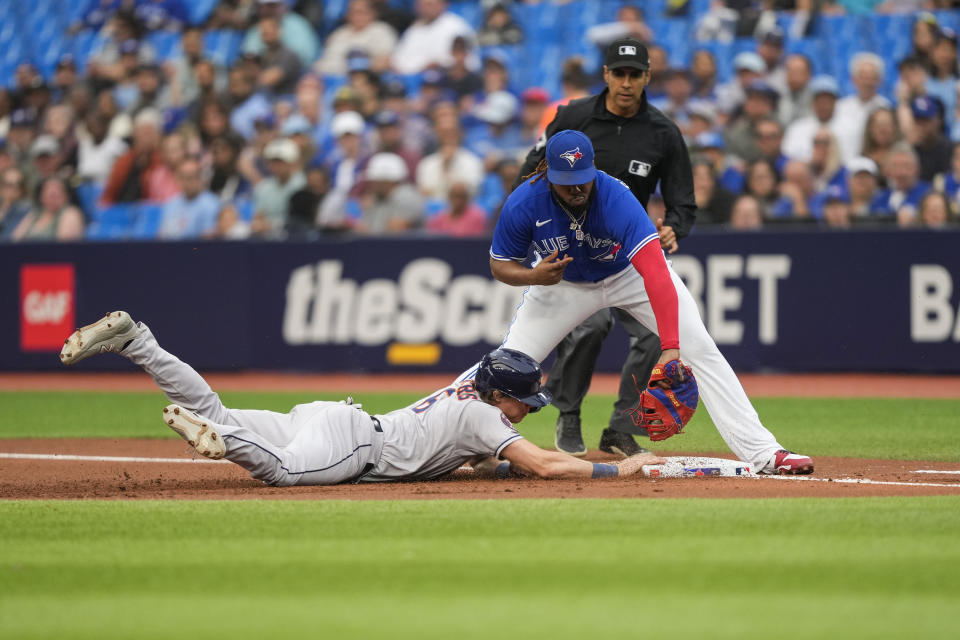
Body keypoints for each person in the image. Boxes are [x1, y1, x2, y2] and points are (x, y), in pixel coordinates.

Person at [486, 130, 812, 475]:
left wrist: (671, 347)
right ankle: (458, 441)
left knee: (699, 348)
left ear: (593, 168)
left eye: (582, 179)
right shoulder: (525, 202)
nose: (577, 188)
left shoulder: (616, 198)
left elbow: (656, 272)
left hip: (627, 274)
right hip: (560, 282)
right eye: (567, 182)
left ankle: (766, 453)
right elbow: (499, 264)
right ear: (547, 173)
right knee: (509, 364)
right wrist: (533, 276)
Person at [60, 311, 665, 485]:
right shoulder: (483, 414)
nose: (524, 410)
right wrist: (617, 468)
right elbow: (543, 462)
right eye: (523, 403)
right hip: (352, 446)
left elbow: (491, 456)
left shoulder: (469, 386)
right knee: (282, 475)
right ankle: (222, 444)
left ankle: (139, 341)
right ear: (500, 396)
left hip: (328, 416)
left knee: (216, 404)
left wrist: (492, 461)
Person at [515, 39, 696, 458]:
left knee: (656, 331)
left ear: (648, 76)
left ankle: (623, 427)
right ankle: (568, 411)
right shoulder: (572, 117)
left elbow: (682, 200)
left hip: (631, 251)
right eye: (620, 73)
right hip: (574, 246)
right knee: (590, 327)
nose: (627, 83)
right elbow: (530, 173)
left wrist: (674, 228)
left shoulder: (663, 131)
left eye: (635, 74)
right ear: (606, 75)